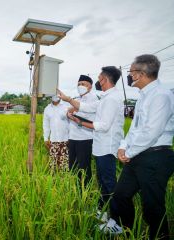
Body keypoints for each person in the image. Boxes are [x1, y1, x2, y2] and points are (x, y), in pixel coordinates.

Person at [107, 54, 174, 239]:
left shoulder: (161, 96)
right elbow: (136, 129)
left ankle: (160, 236)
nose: (129, 76)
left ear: (141, 74)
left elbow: (152, 132)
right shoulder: (144, 96)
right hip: (138, 154)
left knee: (152, 206)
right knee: (121, 195)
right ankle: (125, 229)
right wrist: (123, 146)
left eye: (131, 72)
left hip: (156, 156)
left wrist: (129, 151)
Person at [58, 66, 124, 223]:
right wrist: (68, 99)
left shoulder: (112, 99)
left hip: (107, 147)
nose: (98, 81)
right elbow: (86, 108)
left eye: (99, 78)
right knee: (102, 182)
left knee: (108, 183)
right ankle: (101, 211)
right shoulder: (105, 98)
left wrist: (80, 122)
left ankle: (116, 220)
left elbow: (103, 125)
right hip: (100, 147)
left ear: (104, 80)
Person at [68, 75, 99, 187]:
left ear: (90, 87)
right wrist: (73, 111)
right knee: (73, 166)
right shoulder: (77, 99)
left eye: (84, 84)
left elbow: (88, 115)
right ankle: (75, 189)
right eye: (79, 84)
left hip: (85, 138)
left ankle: (86, 191)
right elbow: (68, 112)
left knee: (84, 167)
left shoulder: (93, 98)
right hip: (73, 138)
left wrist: (75, 111)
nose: (81, 86)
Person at [43, 95, 70, 171]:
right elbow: (46, 124)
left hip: (65, 140)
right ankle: (54, 182)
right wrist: (45, 138)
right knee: (54, 165)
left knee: (65, 164)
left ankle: (65, 181)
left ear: (60, 96)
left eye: (57, 94)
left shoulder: (66, 107)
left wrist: (70, 137)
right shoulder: (47, 109)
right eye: (53, 94)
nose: (55, 96)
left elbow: (71, 122)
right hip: (53, 140)